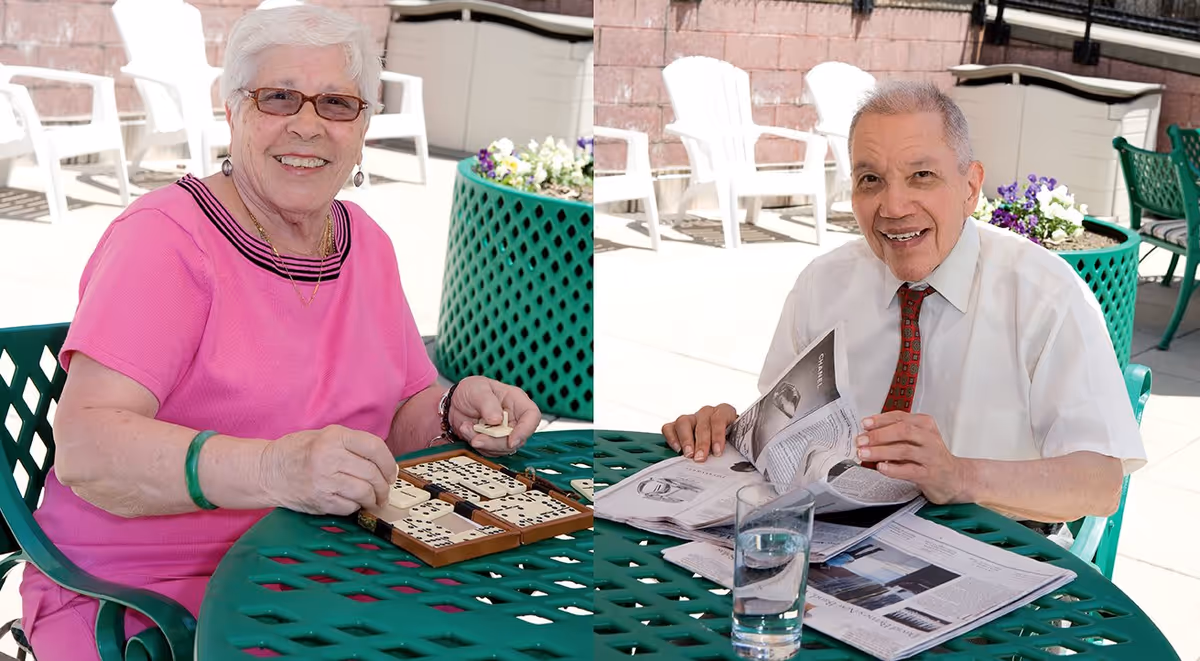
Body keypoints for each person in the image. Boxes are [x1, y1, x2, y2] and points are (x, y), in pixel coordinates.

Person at [19, 6, 540, 659]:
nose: (308, 125)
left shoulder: (366, 245)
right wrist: (276, 468)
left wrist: (450, 411)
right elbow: (89, 448)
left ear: (363, 127)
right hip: (147, 594)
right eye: (278, 96)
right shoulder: (165, 241)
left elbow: (400, 411)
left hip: (329, 570)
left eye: (336, 103)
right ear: (233, 111)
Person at [662, 81, 1145, 525]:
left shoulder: (1044, 295)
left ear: (971, 187)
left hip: (996, 559)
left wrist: (959, 476)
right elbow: (784, 436)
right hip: (839, 542)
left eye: (921, 176)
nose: (893, 207)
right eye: (870, 180)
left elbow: (1099, 486)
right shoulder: (822, 284)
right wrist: (729, 430)